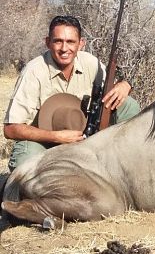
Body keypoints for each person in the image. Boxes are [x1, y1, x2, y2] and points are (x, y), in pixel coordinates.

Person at [3, 15, 140, 172]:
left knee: (128, 104)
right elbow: (10, 128)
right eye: (58, 41)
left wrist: (125, 85)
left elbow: (114, 86)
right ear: (47, 42)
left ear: (81, 44)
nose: (64, 48)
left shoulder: (91, 63)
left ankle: (128, 166)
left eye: (70, 42)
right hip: (42, 140)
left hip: (83, 137)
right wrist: (55, 137)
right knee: (25, 165)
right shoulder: (33, 71)